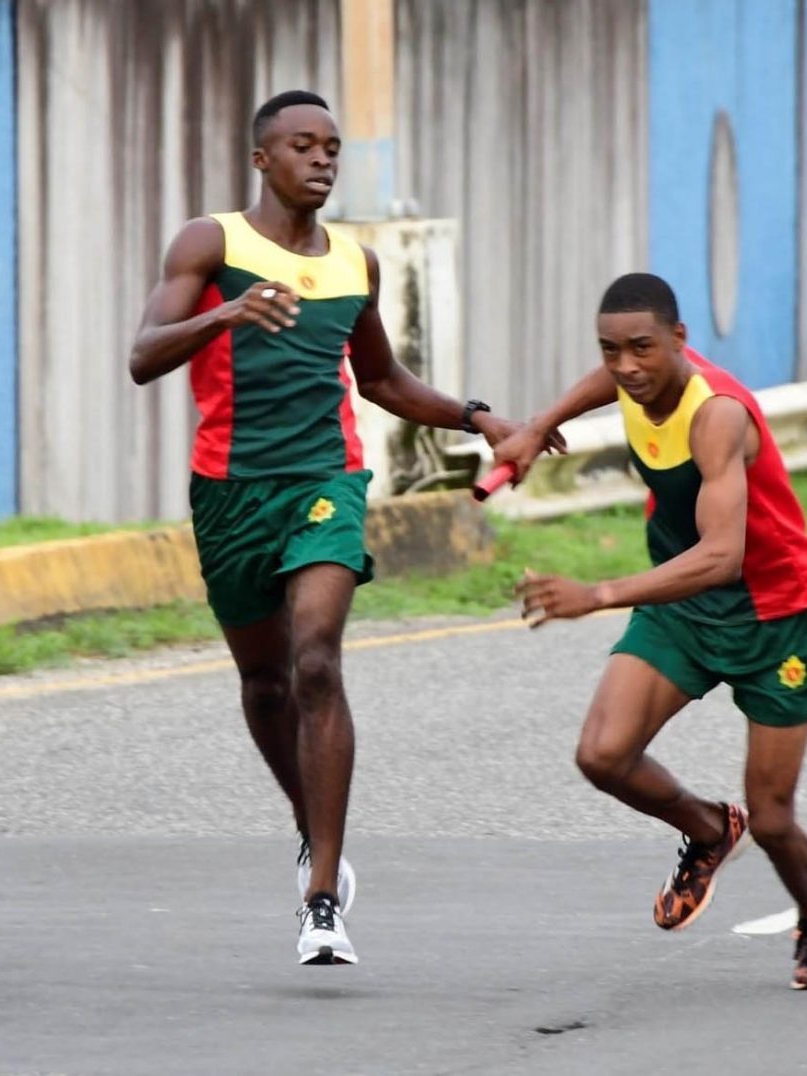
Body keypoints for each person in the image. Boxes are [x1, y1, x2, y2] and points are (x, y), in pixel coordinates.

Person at [128, 90, 537, 966]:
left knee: (317, 657)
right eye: (303, 146)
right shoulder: (212, 243)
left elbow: (383, 380)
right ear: (261, 160)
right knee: (266, 683)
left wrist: (479, 417)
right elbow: (142, 355)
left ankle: (322, 898)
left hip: (326, 479)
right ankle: (314, 829)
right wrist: (224, 315)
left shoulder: (357, 264)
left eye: (333, 148)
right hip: (230, 492)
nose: (322, 160)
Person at [494, 272, 807, 990]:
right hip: (683, 609)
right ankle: (712, 830)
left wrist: (598, 593)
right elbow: (607, 378)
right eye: (611, 349)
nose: (626, 367)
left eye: (642, 349)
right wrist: (538, 424)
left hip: (774, 618)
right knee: (603, 753)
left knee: (777, 819)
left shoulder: (717, 415)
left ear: (680, 342)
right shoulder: (631, 379)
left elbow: (722, 556)